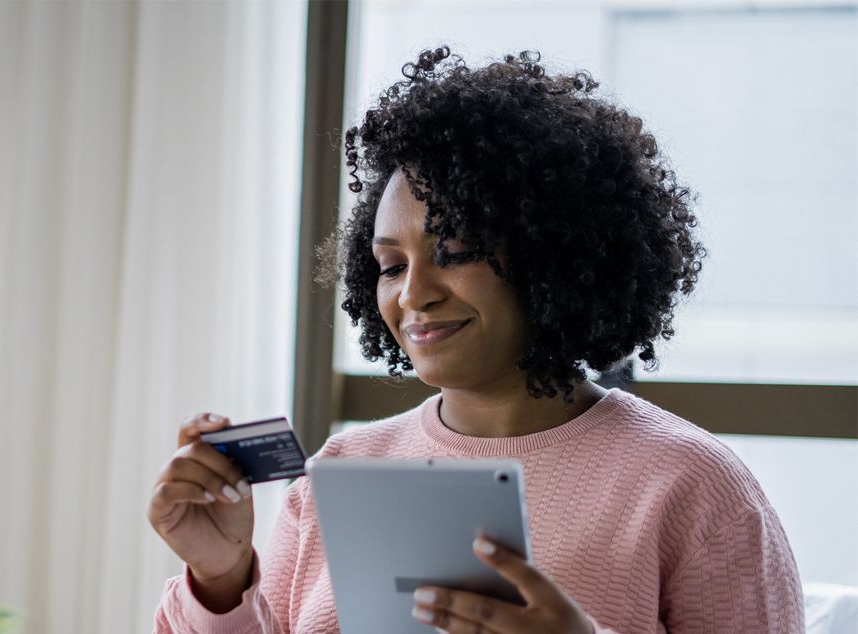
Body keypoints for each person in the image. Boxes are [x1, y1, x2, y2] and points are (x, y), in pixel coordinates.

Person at [149, 47, 804, 633]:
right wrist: (222, 580)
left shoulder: (691, 484)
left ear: (556, 255)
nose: (412, 296)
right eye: (391, 266)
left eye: (455, 252)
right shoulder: (340, 472)